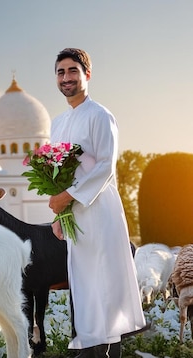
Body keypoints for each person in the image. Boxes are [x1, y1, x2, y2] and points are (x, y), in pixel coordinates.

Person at [48, 48, 146, 357]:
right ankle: (90, 345)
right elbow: (57, 174)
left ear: (87, 75)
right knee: (84, 283)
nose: (67, 77)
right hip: (74, 215)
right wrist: (59, 214)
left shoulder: (101, 116)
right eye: (61, 72)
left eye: (73, 71)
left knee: (103, 281)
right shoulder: (57, 123)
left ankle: (103, 350)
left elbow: (105, 166)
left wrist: (66, 197)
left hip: (99, 211)